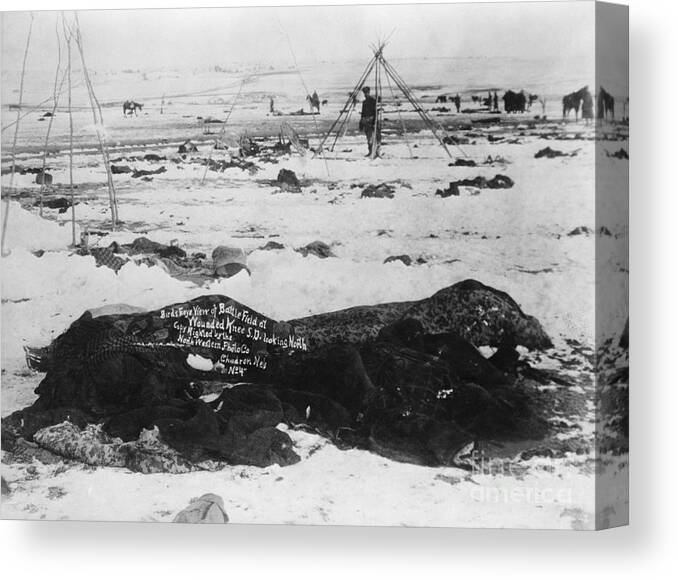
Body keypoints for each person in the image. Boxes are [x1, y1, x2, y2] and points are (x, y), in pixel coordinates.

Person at [359, 86, 379, 157]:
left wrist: (374, 121)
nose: (365, 94)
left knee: (374, 137)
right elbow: (363, 113)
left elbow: (375, 112)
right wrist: (361, 122)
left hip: (372, 121)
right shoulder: (364, 102)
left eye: (366, 92)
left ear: (368, 92)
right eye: (364, 93)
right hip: (366, 122)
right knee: (369, 137)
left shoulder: (373, 101)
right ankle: (370, 151)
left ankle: (376, 152)